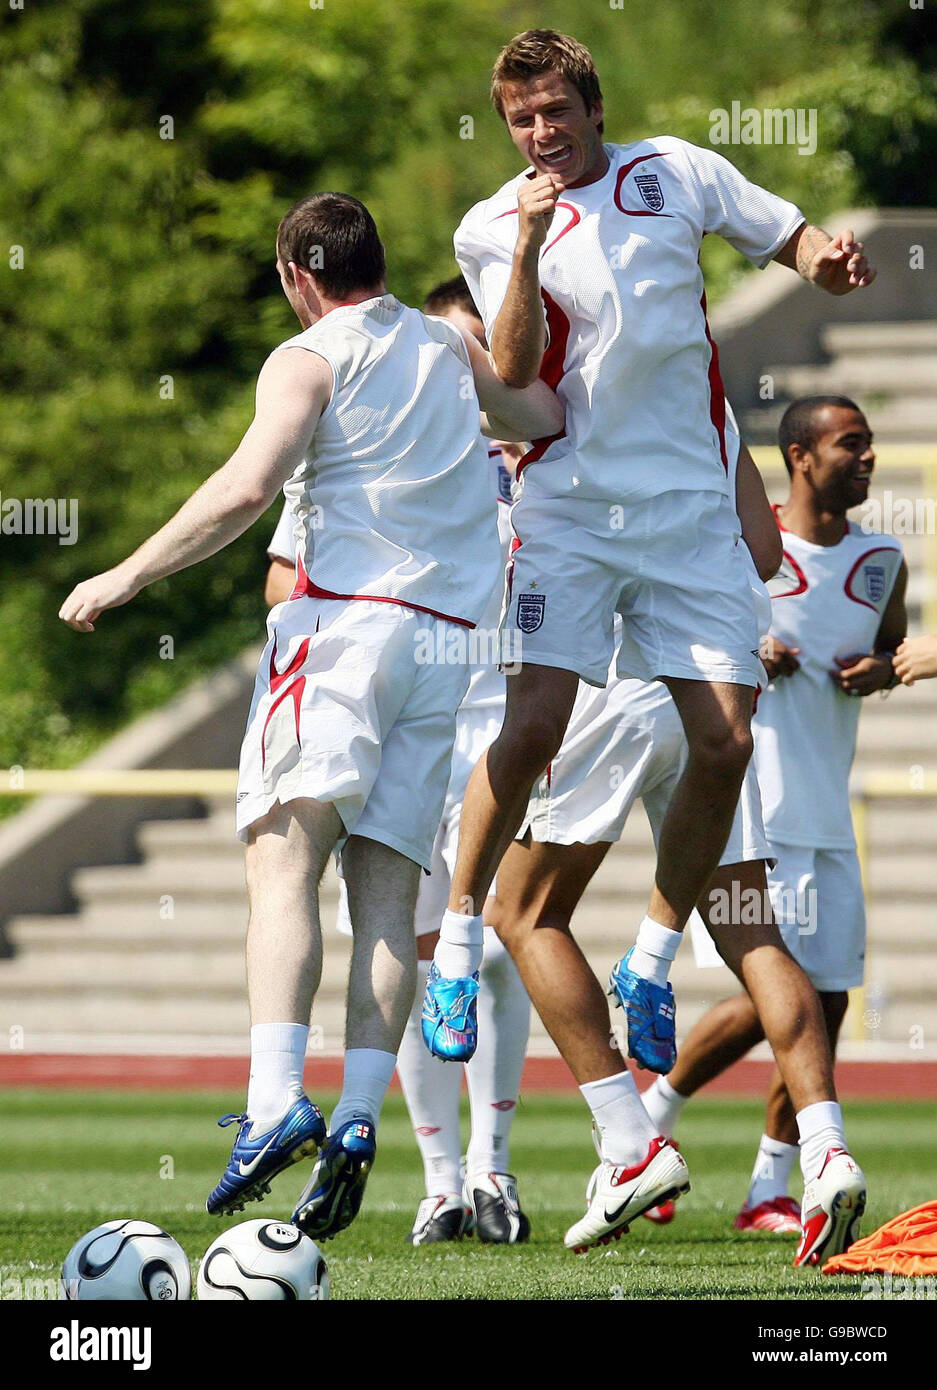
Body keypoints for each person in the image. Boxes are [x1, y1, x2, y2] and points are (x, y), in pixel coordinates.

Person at [422, 26, 876, 1252]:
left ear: (592, 103)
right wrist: (519, 240)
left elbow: (783, 232)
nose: (539, 134)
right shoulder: (488, 222)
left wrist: (824, 257)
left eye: (556, 111)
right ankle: (459, 938)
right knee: (531, 722)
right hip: (569, 508)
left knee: (725, 742)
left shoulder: (671, 170)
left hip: (681, 516)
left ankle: (653, 958)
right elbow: (510, 362)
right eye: (520, 119)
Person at [59, 194, 563, 1241]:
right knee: (386, 896)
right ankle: (358, 1117)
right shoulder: (443, 344)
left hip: (340, 633)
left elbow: (249, 490)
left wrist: (129, 572)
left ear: (298, 274)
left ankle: (271, 1096)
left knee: (281, 867)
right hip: (446, 653)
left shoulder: (308, 357)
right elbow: (538, 417)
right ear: (379, 259)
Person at [490, 411, 862, 1265]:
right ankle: (825, 1152)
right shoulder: (709, 401)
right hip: (712, 693)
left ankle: (631, 1145)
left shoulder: (572, 388)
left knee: (526, 913)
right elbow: (766, 555)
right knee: (754, 935)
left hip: (618, 688)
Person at [266, 276, 534, 1245]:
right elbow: (281, 574)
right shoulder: (364, 451)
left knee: (500, 944)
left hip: (506, 717)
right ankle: (439, 1178)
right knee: (415, 945)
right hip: (411, 710)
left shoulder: (535, 465)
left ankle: (495, 1167)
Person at [640, 397, 907, 1264]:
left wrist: (875, 673)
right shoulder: (749, 556)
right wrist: (747, 651)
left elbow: (888, 650)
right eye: (848, 444)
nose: (864, 458)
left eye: (867, 445)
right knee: (772, 997)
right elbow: (679, 639)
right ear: (798, 455)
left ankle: (764, 1187)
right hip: (760, 808)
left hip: (829, 812)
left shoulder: (881, 560)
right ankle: (652, 1123)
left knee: (824, 1002)